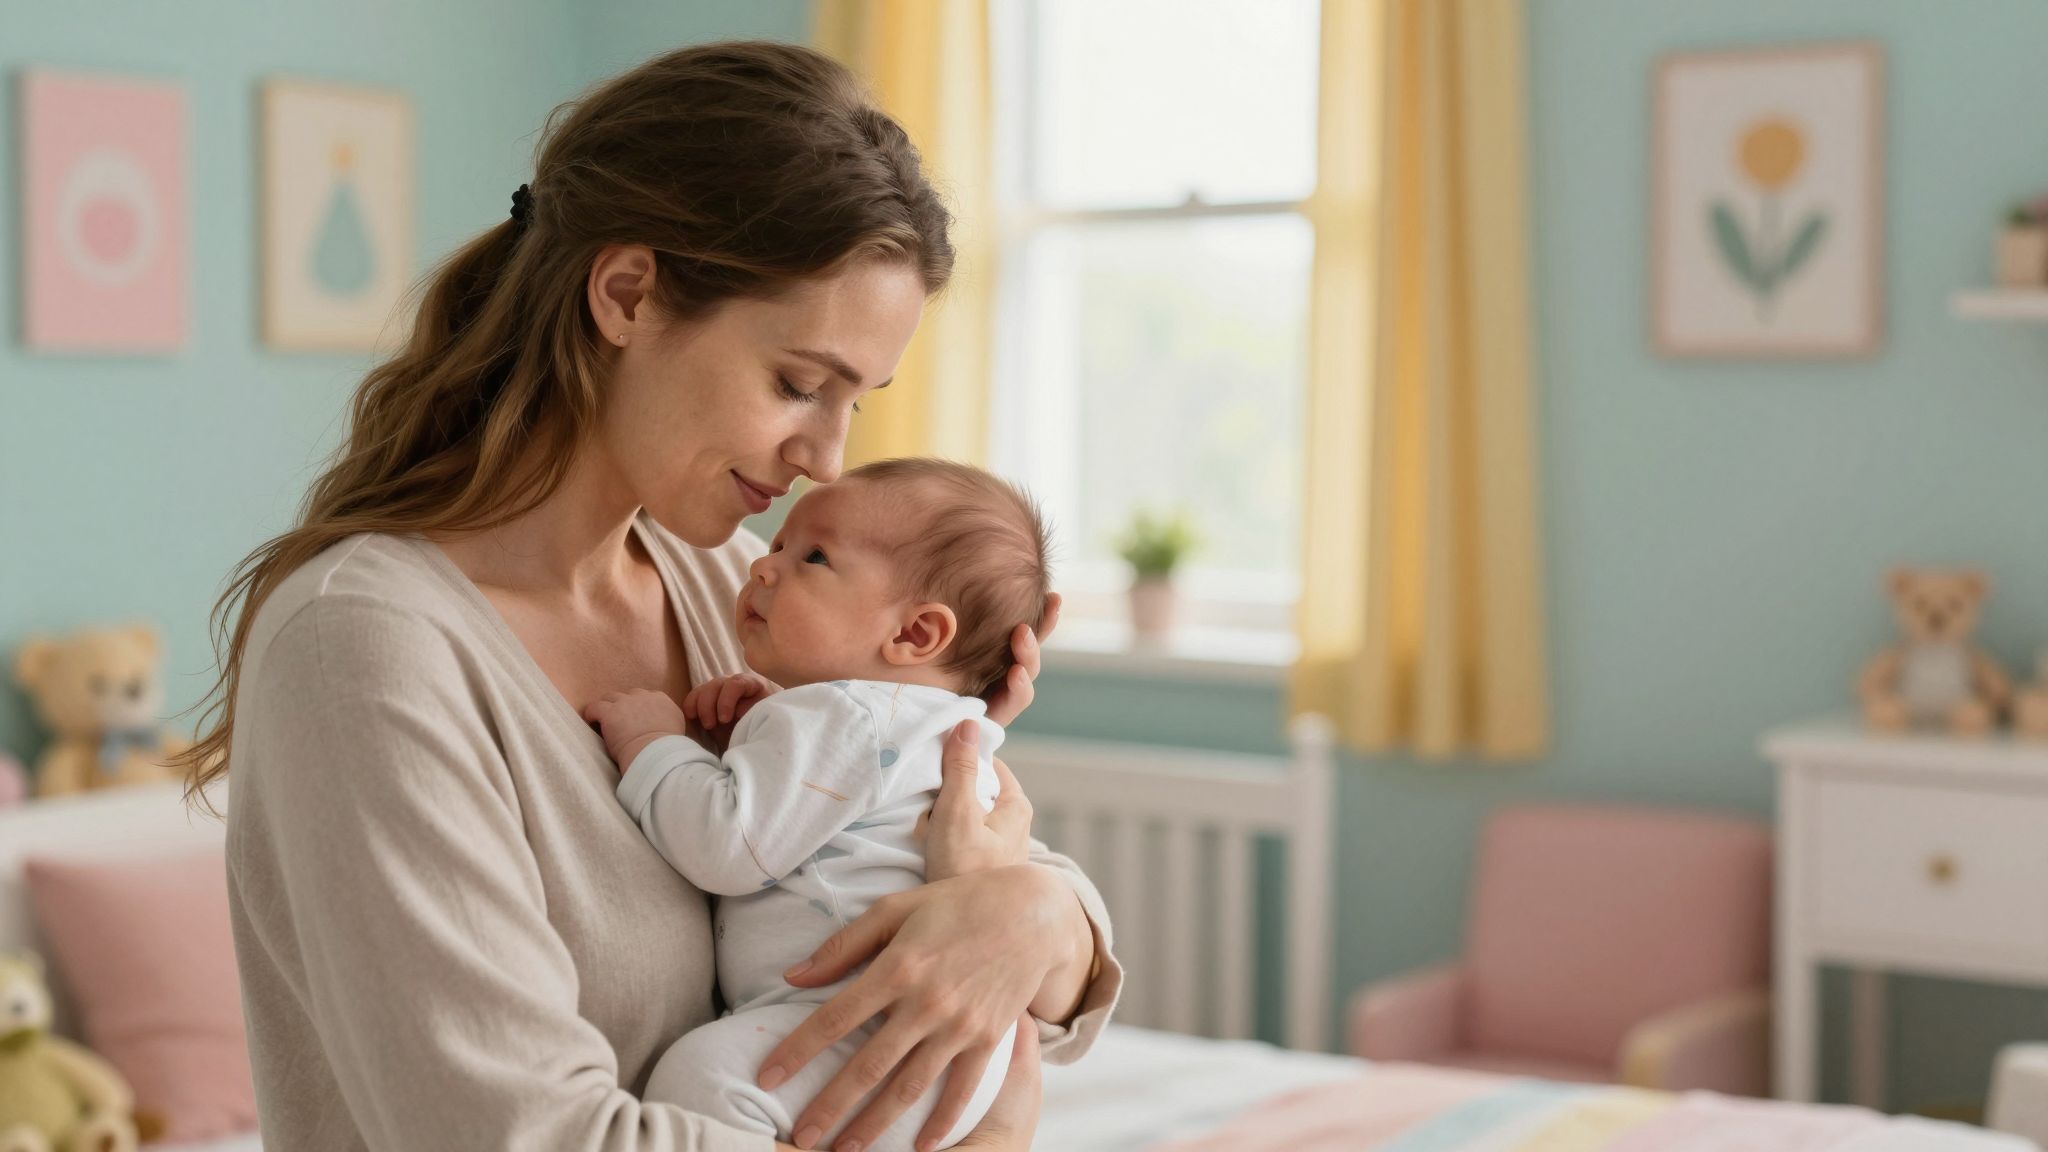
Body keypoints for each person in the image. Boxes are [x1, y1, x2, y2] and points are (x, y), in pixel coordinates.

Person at [176, 41, 1120, 1152]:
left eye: (855, 402)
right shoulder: (364, 648)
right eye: (797, 384)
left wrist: (1026, 905)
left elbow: (1002, 912)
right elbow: (523, 1134)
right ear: (627, 295)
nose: (824, 457)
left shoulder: (732, 589)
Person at [585, 459, 1054, 1151]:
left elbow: (727, 846)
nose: (764, 566)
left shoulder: (844, 716)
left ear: (915, 635)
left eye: (813, 558)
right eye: (778, 544)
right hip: (941, 1041)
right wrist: (751, 737)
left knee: (702, 1082)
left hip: (874, 1031)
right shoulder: (918, 722)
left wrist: (655, 744)